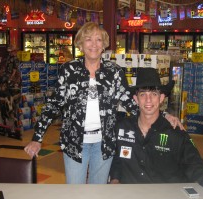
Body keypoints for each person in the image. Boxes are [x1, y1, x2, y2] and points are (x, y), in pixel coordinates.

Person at [24, 22, 183, 184]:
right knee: (74, 191)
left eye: (98, 40)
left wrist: (163, 115)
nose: (94, 44)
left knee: (98, 193)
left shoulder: (114, 72)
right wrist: (37, 138)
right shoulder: (69, 70)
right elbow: (53, 104)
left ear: (104, 45)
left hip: (104, 143)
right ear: (80, 44)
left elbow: (132, 103)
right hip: (74, 142)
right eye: (88, 39)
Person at [109, 67, 203, 199]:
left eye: (153, 94)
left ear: (161, 98)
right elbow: (117, 160)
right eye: (143, 94)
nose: (148, 100)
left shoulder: (176, 133)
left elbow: (195, 163)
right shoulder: (122, 127)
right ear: (136, 99)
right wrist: (114, 179)